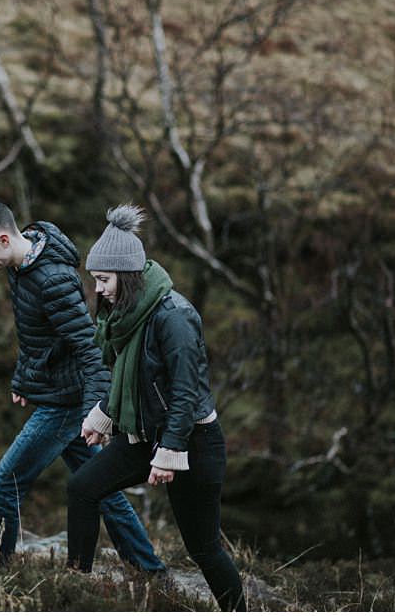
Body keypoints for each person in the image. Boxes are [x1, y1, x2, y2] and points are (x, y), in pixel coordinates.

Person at [0, 200, 164, 572]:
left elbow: (88, 348)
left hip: (68, 402)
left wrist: (95, 414)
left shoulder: (52, 280)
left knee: (2, 487)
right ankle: (151, 571)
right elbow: (38, 334)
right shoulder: (21, 263)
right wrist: (24, 379)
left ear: (3, 240)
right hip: (57, 390)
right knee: (102, 490)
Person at [67, 204, 246, 611]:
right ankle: (74, 591)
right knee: (82, 489)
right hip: (144, 434)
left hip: (191, 443)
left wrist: (169, 454)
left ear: (127, 276)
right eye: (96, 279)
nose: (98, 289)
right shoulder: (126, 314)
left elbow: (186, 394)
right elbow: (131, 380)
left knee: (202, 548)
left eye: (104, 279)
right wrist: (105, 415)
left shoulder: (174, 317)